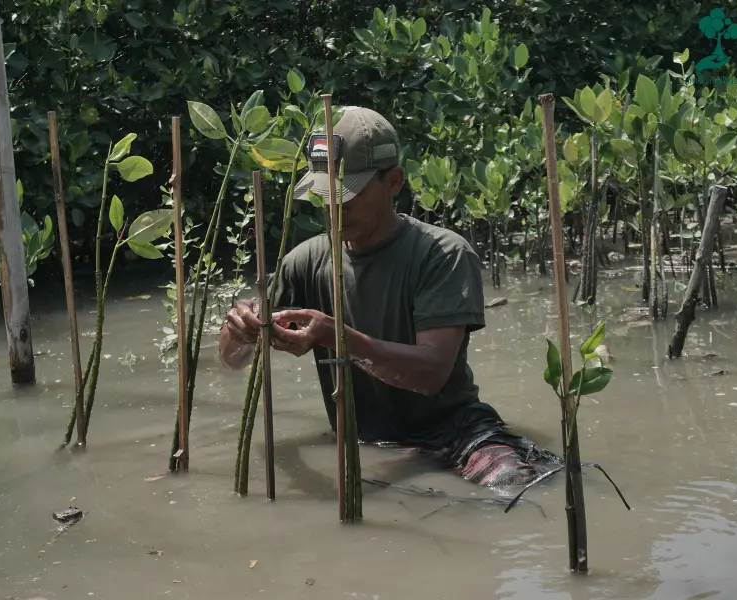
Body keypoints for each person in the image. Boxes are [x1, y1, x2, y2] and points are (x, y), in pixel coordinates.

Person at [219, 106, 560, 490]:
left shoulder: (443, 253)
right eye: (325, 194)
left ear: (394, 182)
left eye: (351, 193)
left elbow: (430, 374)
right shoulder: (306, 260)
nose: (336, 206)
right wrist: (242, 329)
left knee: (511, 483)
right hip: (368, 442)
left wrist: (337, 338)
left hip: (454, 434)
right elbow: (232, 359)